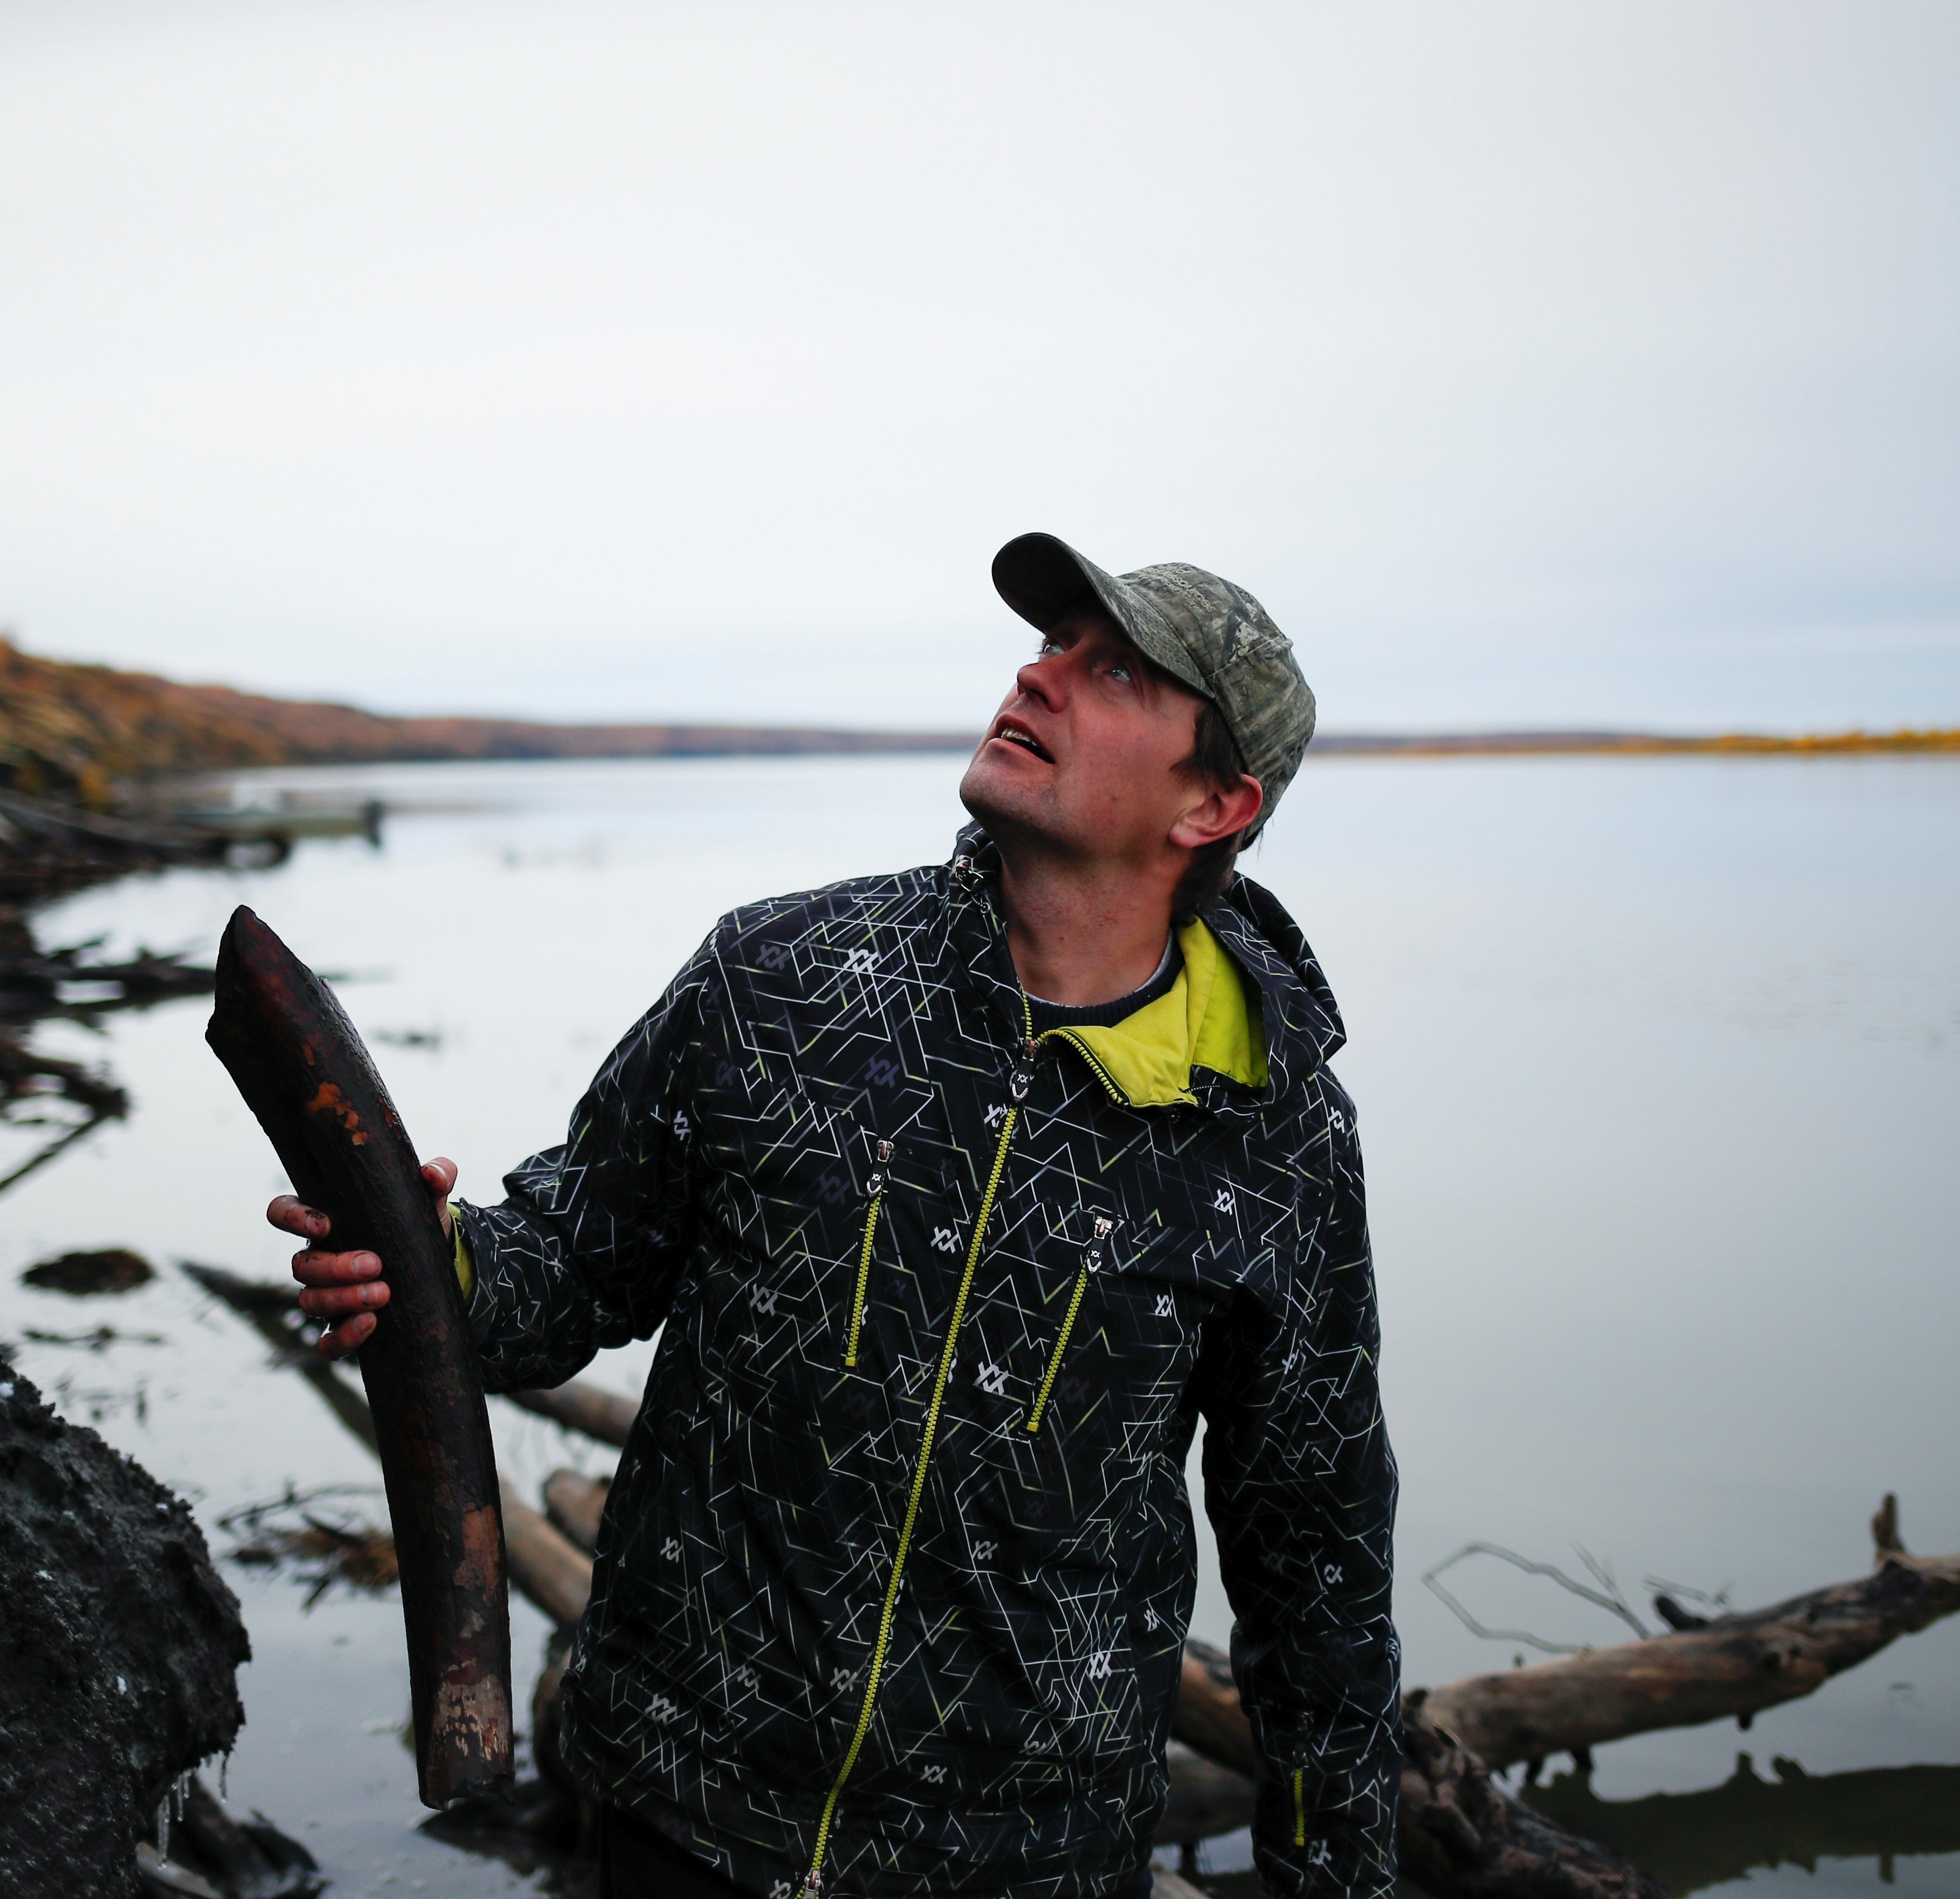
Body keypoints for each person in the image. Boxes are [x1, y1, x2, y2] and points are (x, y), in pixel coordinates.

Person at [271, 533, 1398, 1898]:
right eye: (1048, 644)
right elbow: (570, 1264)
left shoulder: (1271, 1133)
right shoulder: (783, 977)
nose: (1037, 675)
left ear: (1214, 805)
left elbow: (1314, 1549)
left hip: (1021, 1858)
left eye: (1111, 672)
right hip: (679, 1806)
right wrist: (429, 1267)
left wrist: (1334, 1867)